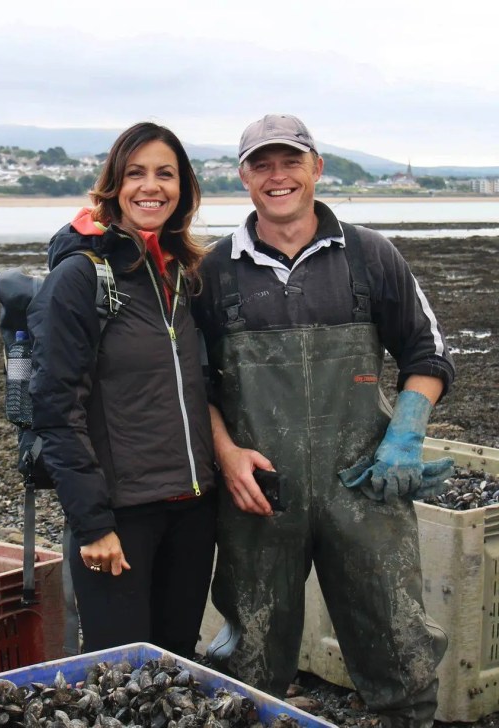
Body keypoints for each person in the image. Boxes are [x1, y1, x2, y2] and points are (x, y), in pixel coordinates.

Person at [192, 113, 454, 728]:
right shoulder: (212, 272)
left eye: (291, 161)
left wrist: (404, 438)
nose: (277, 176)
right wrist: (227, 454)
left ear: (317, 168)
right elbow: (191, 383)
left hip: (363, 485)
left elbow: (428, 353)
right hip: (260, 494)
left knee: (398, 640)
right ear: (244, 177)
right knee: (251, 655)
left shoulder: (371, 257)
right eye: (261, 164)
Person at [27, 122, 217, 656]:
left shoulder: (184, 274)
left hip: (193, 510)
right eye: (136, 173)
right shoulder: (80, 276)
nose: (150, 186)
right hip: (121, 515)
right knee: (121, 673)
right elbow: (56, 410)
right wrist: (92, 525)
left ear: (183, 189)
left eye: (165, 174)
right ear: (114, 185)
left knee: (177, 662)